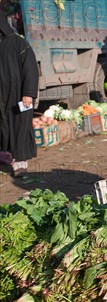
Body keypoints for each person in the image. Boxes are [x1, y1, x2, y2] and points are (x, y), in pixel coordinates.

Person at [0, 10, 38, 177]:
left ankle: (21, 164)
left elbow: (30, 69)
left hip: (19, 95)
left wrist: (28, 93)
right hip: (2, 96)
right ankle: (9, 158)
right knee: (5, 128)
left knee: (19, 127)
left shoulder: (18, 43)